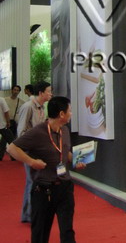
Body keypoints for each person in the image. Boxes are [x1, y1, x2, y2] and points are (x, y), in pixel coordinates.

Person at [8, 96, 85, 243]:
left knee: (67, 231)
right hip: (44, 190)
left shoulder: (65, 131)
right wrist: (31, 162)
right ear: (61, 114)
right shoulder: (38, 132)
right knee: (40, 232)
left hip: (65, 187)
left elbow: (64, 151)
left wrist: (76, 161)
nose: (71, 114)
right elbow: (12, 148)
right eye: (70, 111)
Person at [17, 81, 53, 223]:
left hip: (38, 150)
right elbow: (21, 132)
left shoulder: (42, 108)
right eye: (49, 91)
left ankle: (29, 214)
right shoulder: (28, 107)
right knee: (32, 182)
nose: (51, 94)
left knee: (33, 182)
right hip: (30, 150)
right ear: (40, 93)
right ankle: (30, 215)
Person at [0, 96, 15, 161]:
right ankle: (14, 156)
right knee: (11, 141)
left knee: (4, 140)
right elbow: (6, 112)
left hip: (2, 124)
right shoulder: (1, 99)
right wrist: (8, 122)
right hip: (2, 124)